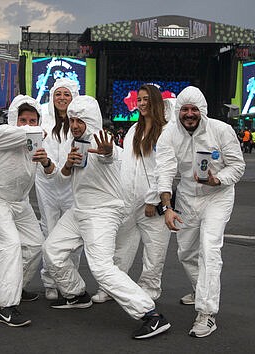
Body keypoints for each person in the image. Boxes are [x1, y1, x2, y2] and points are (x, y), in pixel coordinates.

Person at [42, 95, 171, 339]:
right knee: (51, 249)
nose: (75, 125)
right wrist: (67, 165)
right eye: (72, 120)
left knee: (101, 268)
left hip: (102, 213)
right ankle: (76, 294)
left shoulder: (104, 141)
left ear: (91, 120)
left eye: (81, 120)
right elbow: (61, 179)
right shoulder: (74, 143)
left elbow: (109, 156)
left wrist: (107, 152)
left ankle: (150, 315)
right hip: (79, 210)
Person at [156, 86, 245, 338]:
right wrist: (168, 208)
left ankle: (206, 313)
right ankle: (199, 287)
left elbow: (238, 166)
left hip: (218, 196)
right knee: (185, 253)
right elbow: (164, 172)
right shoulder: (169, 134)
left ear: (202, 111)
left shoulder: (221, 130)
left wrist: (217, 180)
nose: (189, 114)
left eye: (194, 109)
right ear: (178, 111)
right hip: (186, 197)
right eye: (184, 109)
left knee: (209, 249)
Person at [0, 95, 55, 327]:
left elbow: (50, 172)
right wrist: (40, 130)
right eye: (23, 120)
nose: (29, 125)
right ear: (14, 119)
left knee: (35, 244)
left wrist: (46, 161)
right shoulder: (2, 133)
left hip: (19, 202)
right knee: (11, 246)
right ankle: (6, 306)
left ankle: (16, 286)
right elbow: (26, 133)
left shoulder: (35, 142)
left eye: (33, 120)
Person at [91, 84, 171, 303]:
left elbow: (163, 169)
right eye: (140, 99)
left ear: (156, 102)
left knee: (154, 253)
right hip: (128, 199)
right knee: (120, 246)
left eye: (147, 99)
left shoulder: (166, 131)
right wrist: (109, 153)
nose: (142, 103)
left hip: (153, 204)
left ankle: (149, 291)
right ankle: (112, 287)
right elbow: (126, 162)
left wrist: (153, 200)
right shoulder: (134, 131)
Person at [34, 78, 81, 301]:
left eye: (66, 94)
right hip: (48, 184)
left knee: (73, 235)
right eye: (58, 94)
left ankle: (69, 279)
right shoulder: (43, 121)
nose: (62, 98)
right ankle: (51, 280)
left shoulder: (80, 123)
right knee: (50, 231)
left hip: (72, 185)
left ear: (74, 97)